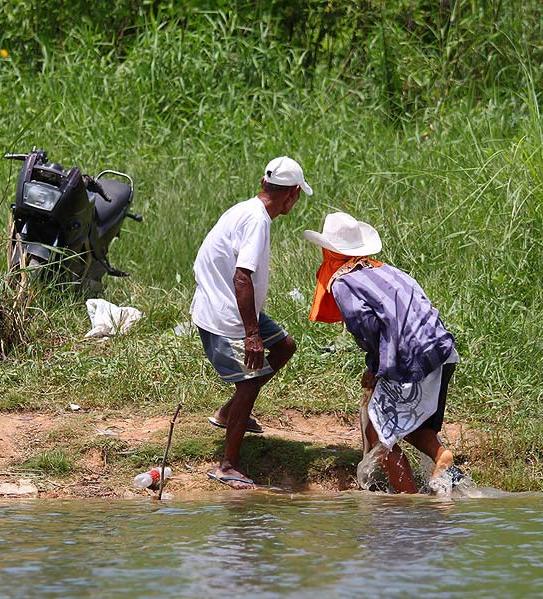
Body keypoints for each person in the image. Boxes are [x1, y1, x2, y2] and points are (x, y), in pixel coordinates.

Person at [303, 211, 462, 494]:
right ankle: (435, 475)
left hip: (409, 356)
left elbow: (367, 324)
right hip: (440, 348)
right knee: (406, 419)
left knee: (379, 430)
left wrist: (374, 366)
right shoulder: (386, 270)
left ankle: (408, 498)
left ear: (327, 249)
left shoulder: (343, 282)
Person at [191, 156, 312, 489]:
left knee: (285, 346)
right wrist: (252, 334)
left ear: (264, 184)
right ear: (294, 195)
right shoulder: (257, 221)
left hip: (234, 306)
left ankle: (228, 413)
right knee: (247, 384)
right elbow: (242, 277)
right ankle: (227, 465)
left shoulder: (247, 209)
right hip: (224, 313)